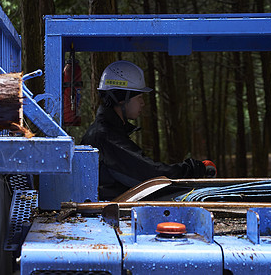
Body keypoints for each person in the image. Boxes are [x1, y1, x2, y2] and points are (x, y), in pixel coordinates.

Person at [80, 60, 216, 200]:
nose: (143, 103)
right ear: (122, 98)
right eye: (139, 97)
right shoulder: (105, 136)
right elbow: (150, 174)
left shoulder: (109, 132)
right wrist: (194, 168)